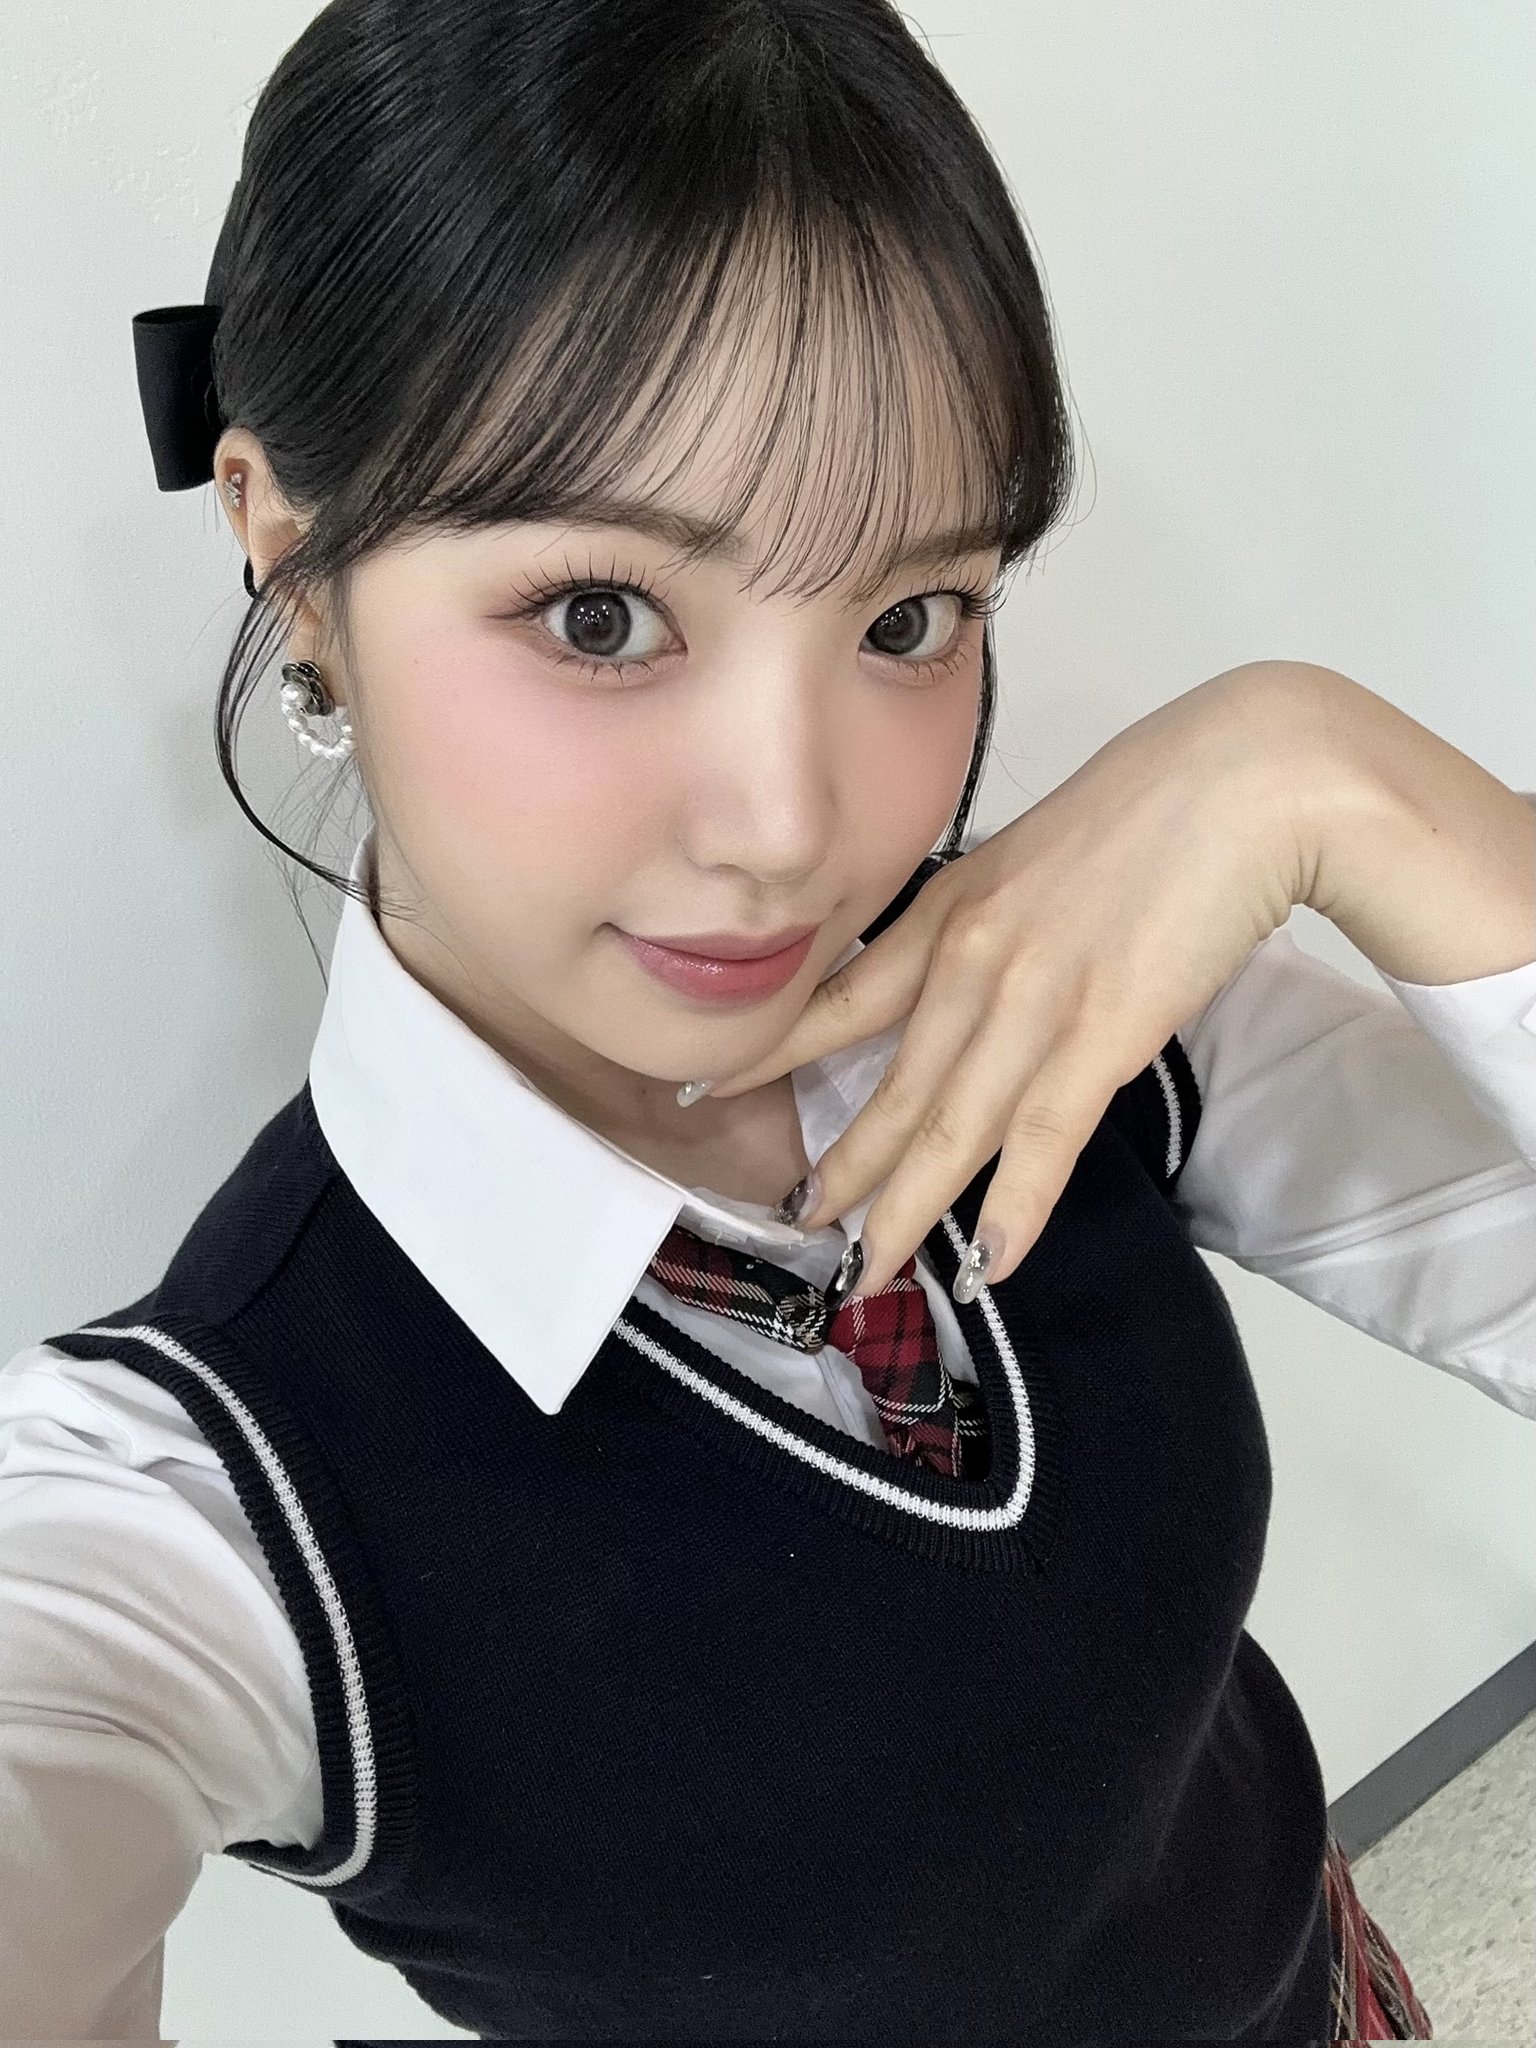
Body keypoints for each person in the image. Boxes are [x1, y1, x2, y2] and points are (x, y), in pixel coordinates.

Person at [3, 0, 1533, 2037]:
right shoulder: (207, 1502)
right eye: (602, 616)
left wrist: (1340, 780)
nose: (795, 829)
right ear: (294, 563)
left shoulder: (1061, 1009)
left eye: (910, 617)